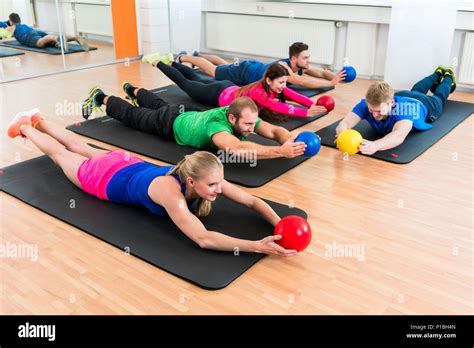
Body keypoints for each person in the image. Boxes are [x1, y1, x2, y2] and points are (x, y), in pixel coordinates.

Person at [7, 110, 298, 256]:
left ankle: (39, 119)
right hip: (104, 177)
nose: (219, 190)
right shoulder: (170, 192)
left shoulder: (203, 173)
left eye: (219, 184)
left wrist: (278, 223)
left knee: (79, 145)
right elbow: (203, 238)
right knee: (61, 154)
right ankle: (23, 126)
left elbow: (252, 200)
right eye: (212, 187)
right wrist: (257, 246)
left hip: (126, 163)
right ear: (192, 182)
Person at [81, 83, 308, 160]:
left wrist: (291, 141)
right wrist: (280, 153)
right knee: (133, 116)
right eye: (248, 125)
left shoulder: (244, 114)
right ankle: (100, 96)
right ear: (232, 118)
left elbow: (274, 130)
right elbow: (236, 148)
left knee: (160, 102)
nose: (252, 128)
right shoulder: (218, 127)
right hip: (168, 124)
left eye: (253, 124)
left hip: (186, 113)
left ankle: (132, 88)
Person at [150, 56, 327, 119]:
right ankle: (159, 62)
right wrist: (306, 113)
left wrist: (310, 104)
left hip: (227, 88)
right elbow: (277, 106)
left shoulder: (272, 86)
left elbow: (293, 95)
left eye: (284, 82)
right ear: (270, 81)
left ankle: (173, 62)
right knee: (187, 84)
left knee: (196, 77)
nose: (284, 86)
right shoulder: (260, 93)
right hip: (217, 94)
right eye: (281, 82)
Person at [335, 66, 456, 155]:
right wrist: (342, 135)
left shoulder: (405, 110)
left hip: (425, 104)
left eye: (379, 111)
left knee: (440, 96)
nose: (374, 114)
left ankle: (448, 76)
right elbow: (344, 123)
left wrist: (375, 145)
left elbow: (398, 135)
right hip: (404, 95)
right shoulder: (365, 104)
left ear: (391, 103)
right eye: (371, 110)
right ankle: (437, 73)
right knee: (416, 90)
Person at [143, 42, 346, 89]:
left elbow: (319, 72)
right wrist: (330, 84)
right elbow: (303, 82)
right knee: (212, 71)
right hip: (246, 72)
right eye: (305, 59)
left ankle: (197, 54)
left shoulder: (299, 65)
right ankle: (183, 58)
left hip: (250, 68)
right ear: (293, 59)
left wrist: (334, 76)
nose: (308, 62)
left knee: (222, 65)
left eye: (308, 58)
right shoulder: (285, 69)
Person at [5, 13, 88, 51]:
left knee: (40, 43)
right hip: (33, 31)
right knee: (49, 42)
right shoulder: (24, 25)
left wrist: (5, 28)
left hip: (28, 36)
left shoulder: (12, 27)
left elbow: (5, 35)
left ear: (11, 21)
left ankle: (57, 39)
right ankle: (75, 37)